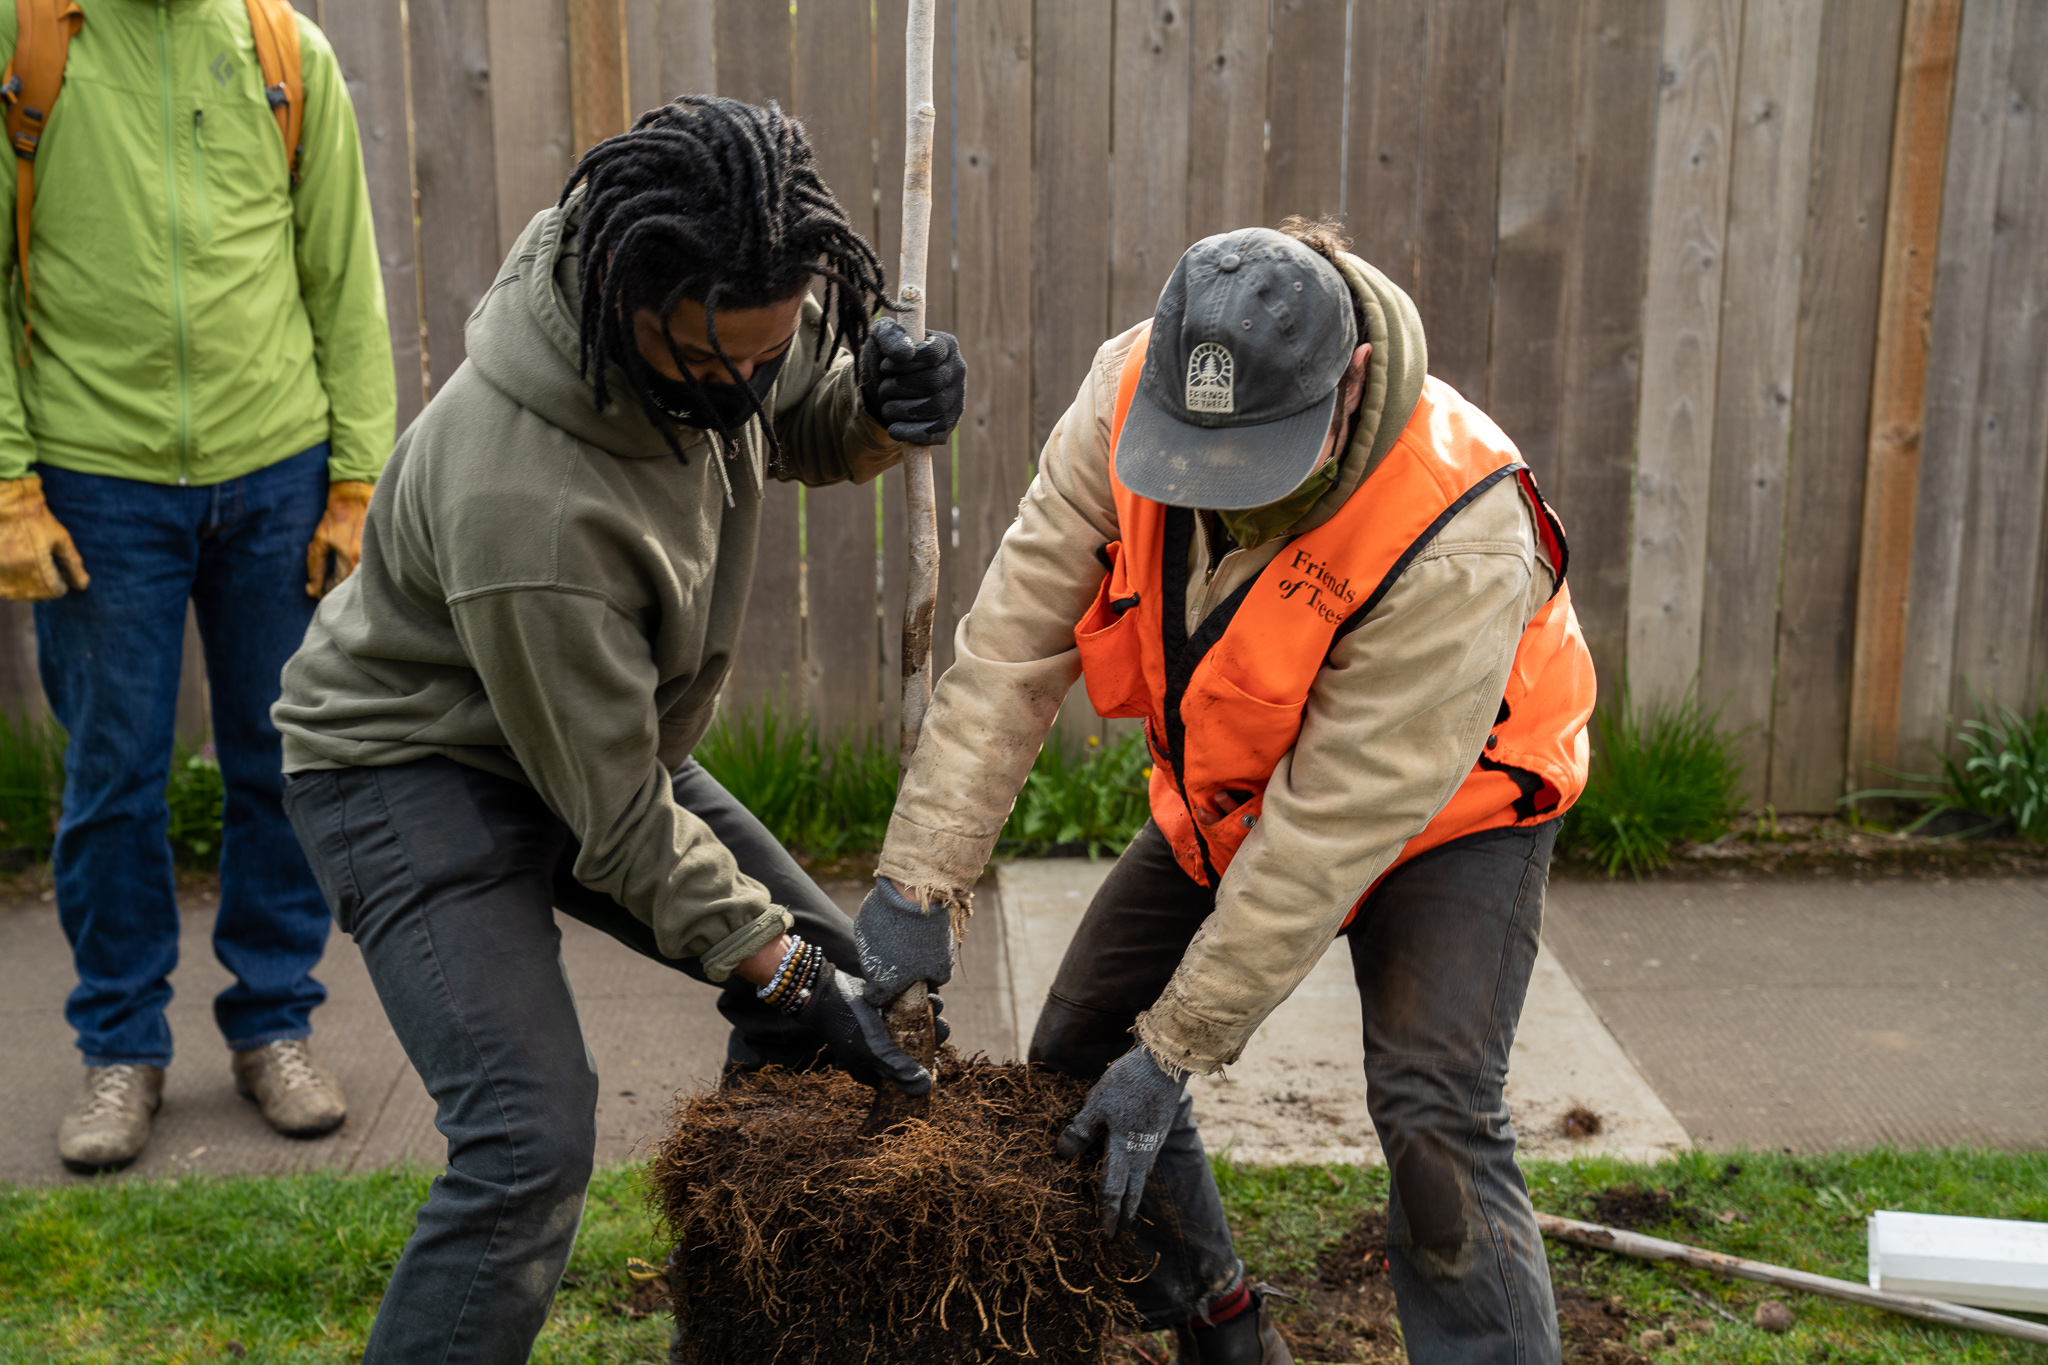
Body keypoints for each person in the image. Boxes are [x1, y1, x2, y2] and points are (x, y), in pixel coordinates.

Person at [271, 96, 968, 1363]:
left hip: (592, 745)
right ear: (624, 309)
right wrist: (782, 969)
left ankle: (739, 1331)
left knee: (826, 990)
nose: (751, 382)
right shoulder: (525, 501)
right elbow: (614, 822)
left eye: (773, 350)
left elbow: (790, 418)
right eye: (724, 367)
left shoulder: (728, 300)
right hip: (405, 767)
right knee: (526, 1142)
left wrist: (874, 413)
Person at [854, 222, 1595, 1364]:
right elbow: (1009, 653)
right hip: (1238, 791)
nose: (1212, 499)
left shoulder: (1456, 527)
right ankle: (1222, 1325)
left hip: (1456, 811)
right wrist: (919, 882)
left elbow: (1326, 835)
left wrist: (1182, 1046)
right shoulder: (1123, 394)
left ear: (1345, 389)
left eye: (1250, 466)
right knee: (1079, 1058)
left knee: (1434, 1112)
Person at [0, 0, 396, 1173]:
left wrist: (357, 480)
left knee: (282, 763)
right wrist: (11, 483)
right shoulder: (30, 47)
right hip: (95, 480)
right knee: (111, 776)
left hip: (275, 471)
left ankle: (274, 1023)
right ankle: (120, 1045)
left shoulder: (283, 50)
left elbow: (344, 276)